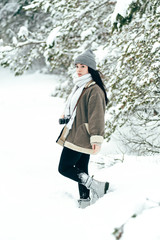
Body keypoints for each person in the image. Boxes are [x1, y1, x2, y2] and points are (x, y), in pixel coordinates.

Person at [56, 49, 109, 208]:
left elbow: (96, 116)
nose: (78, 70)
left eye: (83, 66)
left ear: (90, 69)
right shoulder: (81, 86)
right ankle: (85, 200)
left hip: (82, 135)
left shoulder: (94, 89)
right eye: (77, 66)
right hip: (77, 131)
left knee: (64, 168)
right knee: (80, 167)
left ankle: (97, 186)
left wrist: (96, 138)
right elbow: (79, 109)